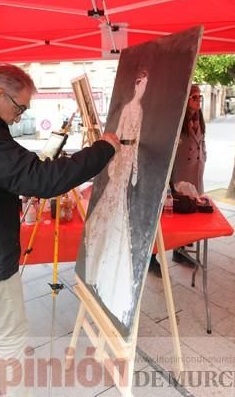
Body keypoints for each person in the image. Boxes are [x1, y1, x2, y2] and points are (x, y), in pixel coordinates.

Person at [0, 64, 120, 397]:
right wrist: (102, 150)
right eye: (19, 107)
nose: (18, 115)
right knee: (11, 337)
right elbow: (42, 180)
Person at [85, 69, 148, 326]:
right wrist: (115, 158)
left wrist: (135, 168)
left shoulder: (141, 110)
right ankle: (102, 233)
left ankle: (111, 237)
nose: (141, 88)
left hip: (130, 155)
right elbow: (119, 134)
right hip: (121, 153)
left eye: (145, 85)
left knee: (119, 197)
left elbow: (139, 138)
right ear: (136, 86)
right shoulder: (127, 109)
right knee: (112, 197)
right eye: (140, 84)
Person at [150, 83, 206, 276]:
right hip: (179, 175)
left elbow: (201, 143)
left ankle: (180, 251)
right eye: (194, 97)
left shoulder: (199, 119)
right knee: (166, 217)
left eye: (200, 97)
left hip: (194, 173)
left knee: (188, 215)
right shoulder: (175, 120)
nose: (198, 101)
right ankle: (152, 258)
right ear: (186, 100)